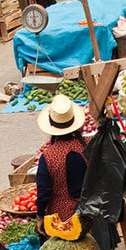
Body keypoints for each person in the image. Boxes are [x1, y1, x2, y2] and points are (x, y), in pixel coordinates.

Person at [35, 94, 88, 226]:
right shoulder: (88, 144)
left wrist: (40, 216)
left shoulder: (48, 157)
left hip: (63, 220)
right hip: (92, 212)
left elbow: (44, 193)